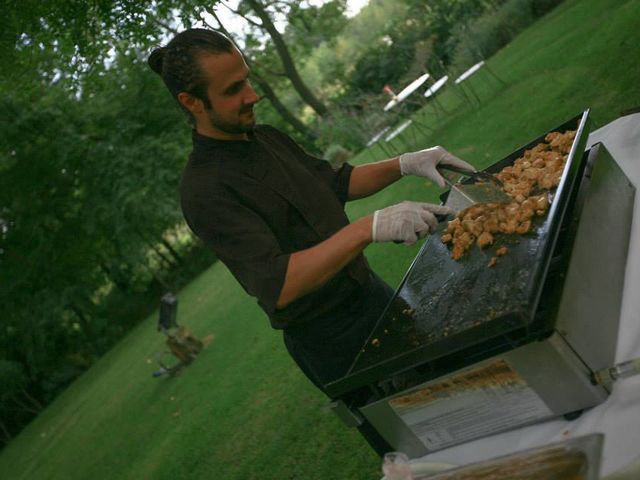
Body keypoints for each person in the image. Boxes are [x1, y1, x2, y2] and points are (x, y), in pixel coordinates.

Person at [148, 28, 473, 452]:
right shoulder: (204, 190)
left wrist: (408, 162)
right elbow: (278, 284)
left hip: (372, 298)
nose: (252, 95)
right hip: (333, 341)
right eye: (233, 89)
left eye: (247, 79)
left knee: (465, 402)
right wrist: (366, 229)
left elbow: (336, 182)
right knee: (430, 451)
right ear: (191, 102)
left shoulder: (265, 139)